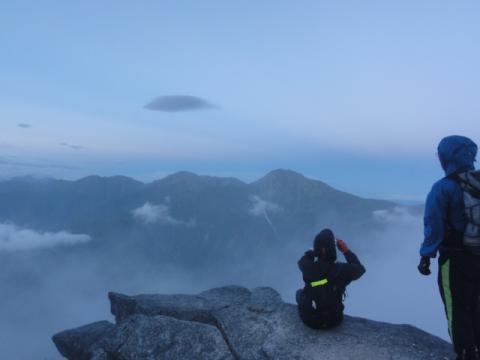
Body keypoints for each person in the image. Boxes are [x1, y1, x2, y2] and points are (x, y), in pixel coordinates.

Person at [418, 135, 480, 360]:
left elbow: (433, 224)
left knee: (457, 308)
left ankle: (465, 353)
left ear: (447, 157)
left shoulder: (443, 188)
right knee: (476, 304)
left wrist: (426, 255)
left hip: (455, 260)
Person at [296, 228, 365, 329]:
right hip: (335, 320)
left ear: (320, 250)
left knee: (299, 293)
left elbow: (302, 261)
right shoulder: (342, 270)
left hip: (311, 320)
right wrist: (346, 251)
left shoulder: (308, 267)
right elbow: (360, 269)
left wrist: (313, 252)